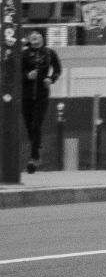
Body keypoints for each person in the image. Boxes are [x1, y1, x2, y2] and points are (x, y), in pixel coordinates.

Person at [20, 27, 61, 171]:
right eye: (32, 34)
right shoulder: (24, 54)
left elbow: (57, 70)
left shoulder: (50, 53)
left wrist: (51, 79)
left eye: (37, 34)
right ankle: (36, 145)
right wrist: (27, 75)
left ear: (42, 37)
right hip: (26, 96)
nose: (34, 36)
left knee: (36, 125)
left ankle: (34, 158)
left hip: (42, 96)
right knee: (29, 125)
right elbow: (18, 72)